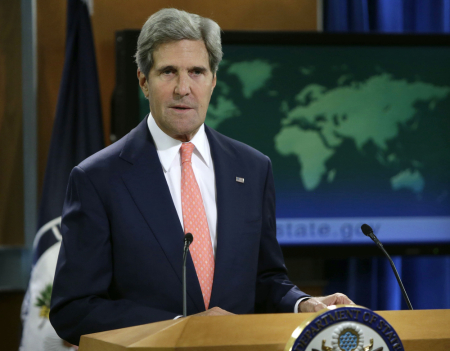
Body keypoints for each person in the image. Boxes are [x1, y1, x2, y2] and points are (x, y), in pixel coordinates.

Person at [49, 8, 353, 346]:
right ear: (143, 81)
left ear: (213, 80)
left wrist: (302, 304)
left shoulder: (252, 168)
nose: (183, 88)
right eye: (168, 72)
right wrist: (183, 325)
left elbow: (265, 279)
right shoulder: (98, 179)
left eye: (196, 71)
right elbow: (73, 309)